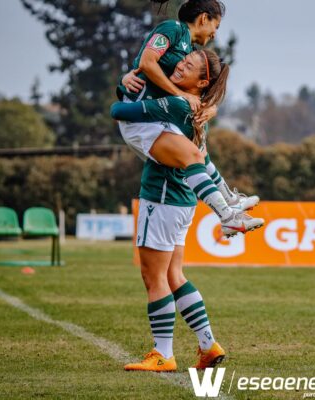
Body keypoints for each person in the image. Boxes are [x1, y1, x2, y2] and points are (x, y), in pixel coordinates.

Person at [116, 49, 235, 373]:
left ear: (202, 80)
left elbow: (121, 110)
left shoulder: (181, 106)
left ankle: (163, 354)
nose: (179, 65)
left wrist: (124, 87)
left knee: (153, 276)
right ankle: (208, 344)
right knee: (173, 275)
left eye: (188, 65)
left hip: (163, 196)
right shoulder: (197, 111)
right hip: (181, 201)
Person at [117, 0, 262, 235]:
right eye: (216, 26)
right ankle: (227, 216)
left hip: (152, 119)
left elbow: (199, 90)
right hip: (138, 118)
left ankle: (229, 202)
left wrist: (211, 108)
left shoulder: (189, 51)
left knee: (200, 149)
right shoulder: (172, 29)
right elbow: (146, 62)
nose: (215, 34)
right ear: (204, 18)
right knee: (193, 155)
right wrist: (180, 94)